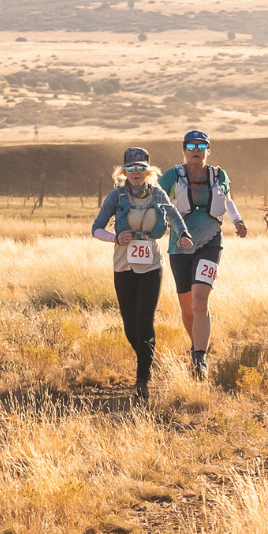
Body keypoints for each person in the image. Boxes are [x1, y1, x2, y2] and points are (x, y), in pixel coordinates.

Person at [91, 147, 193, 401]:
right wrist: (115, 237)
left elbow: (175, 216)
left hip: (151, 267)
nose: (136, 173)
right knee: (129, 324)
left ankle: (142, 379)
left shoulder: (158, 194)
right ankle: (146, 358)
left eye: (141, 168)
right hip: (123, 266)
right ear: (124, 171)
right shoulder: (116, 197)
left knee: (145, 319)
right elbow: (96, 228)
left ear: (148, 171)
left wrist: (184, 236)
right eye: (131, 168)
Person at [161, 130, 249, 377]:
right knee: (188, 308)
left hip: (211, 241)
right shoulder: (172, 176)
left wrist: (238, 220)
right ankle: (196, 347)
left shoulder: (219, 175)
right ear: (184, 149)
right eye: (191, 145)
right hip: (180, 245)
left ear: (208, 150)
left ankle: (200, 358)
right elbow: (159, 201)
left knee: (200, 299)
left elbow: (227, 200)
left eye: (201, 146)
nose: (196, 150)